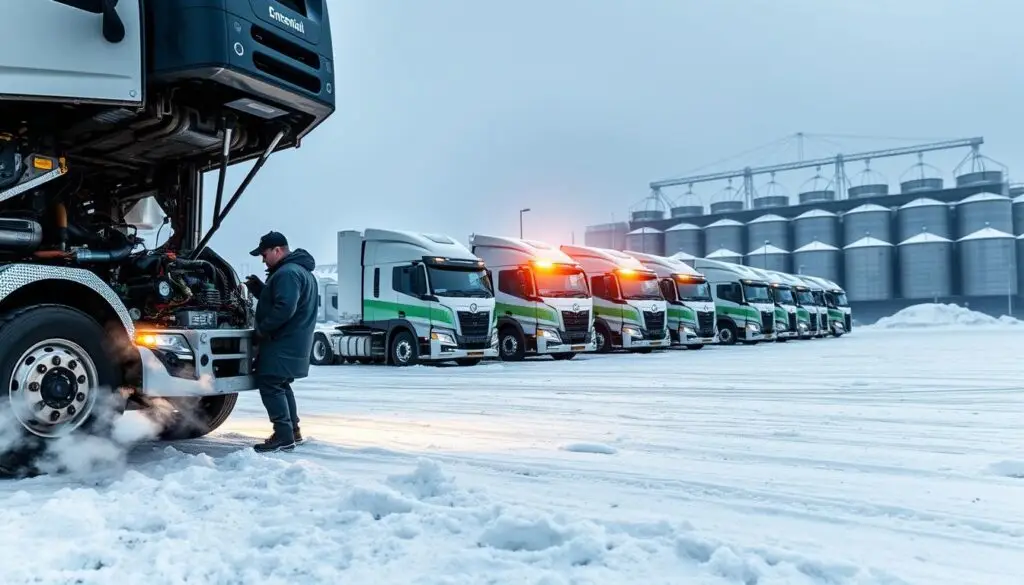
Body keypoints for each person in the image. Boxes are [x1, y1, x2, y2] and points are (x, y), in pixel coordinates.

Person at [243, 230, 319, 453]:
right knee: (281, 384)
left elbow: (285, 307)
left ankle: (283, 437)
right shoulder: (299, 271)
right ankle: (293, 432)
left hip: (282, 342)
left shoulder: (287, 273)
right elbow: (285, 300)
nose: (263, 260)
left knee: (270, 384)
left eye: (264, 254)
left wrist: (262, 330)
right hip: (294, 341)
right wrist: (261, 290)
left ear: (277, 250)